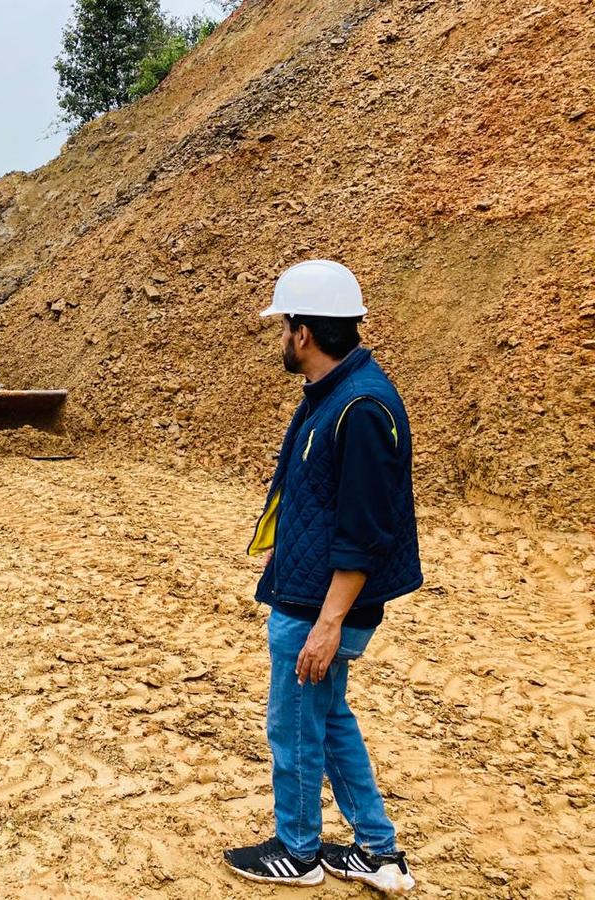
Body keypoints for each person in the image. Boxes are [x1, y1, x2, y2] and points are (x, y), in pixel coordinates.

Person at [223, 261, 421, 894]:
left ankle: (298, 848)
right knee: (329, 717)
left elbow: (366, 534)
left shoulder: (359, 408)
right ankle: (377, 850)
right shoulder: (339, 395)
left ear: (303, 332)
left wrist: (328, 623)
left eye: (284, 326)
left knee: (295, 724)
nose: (281, 337)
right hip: (311, 595)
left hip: (320, 608)